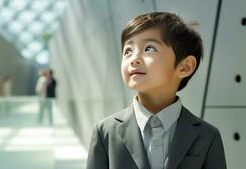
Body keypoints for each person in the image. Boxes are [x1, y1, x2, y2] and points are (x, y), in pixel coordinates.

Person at [86, 12, 226, 169]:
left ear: (185, 66)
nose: (134, 58)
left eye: (149, 48)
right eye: (128, 51)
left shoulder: (207, 136)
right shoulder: (105, 132)